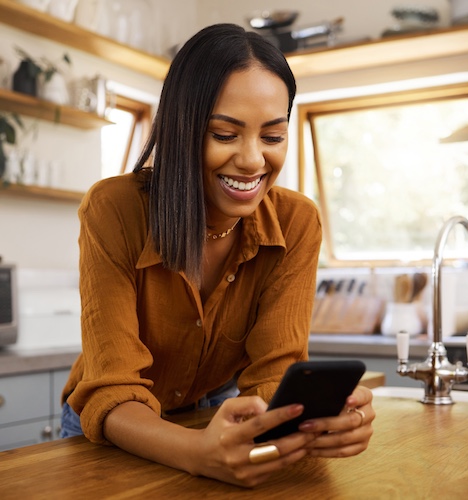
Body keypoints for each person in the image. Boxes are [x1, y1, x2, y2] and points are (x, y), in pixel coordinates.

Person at [60, 23, 375, 488]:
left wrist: (315, 425)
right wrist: (196, 453)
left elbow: (274, 374)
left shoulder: (297, 223)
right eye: (225, 135)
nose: (252, 160)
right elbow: (112, 386)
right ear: (181, 130)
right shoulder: (114, 209)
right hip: (113, 431)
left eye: (272, 137)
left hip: (213, 423)